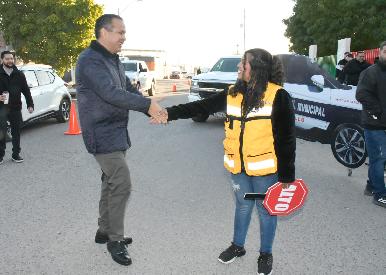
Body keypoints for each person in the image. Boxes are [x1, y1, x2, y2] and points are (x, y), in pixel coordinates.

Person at [158, 48, 296, 275]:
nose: (240, 66)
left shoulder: (278, 95)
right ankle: (238, 246)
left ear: (257, 68)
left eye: (244, 63)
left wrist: (286, 177)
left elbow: (286, 139)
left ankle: (265, 254)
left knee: (266, 210)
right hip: (238, 167)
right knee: (243, 205)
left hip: (264, 170)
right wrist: (168, 114)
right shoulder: (232, 93)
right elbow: (200, 107)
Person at [75, 14, 166, 266]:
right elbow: (110, 93)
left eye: (124, 33)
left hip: (116, 131)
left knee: (110, 182)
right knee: (122, 183)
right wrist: (148, 106)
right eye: (120, 32)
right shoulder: (89, 60)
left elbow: (127, 88)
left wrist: (150, 106)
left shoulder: (112, 60)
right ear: (104, 32)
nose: (124, 38)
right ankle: (115, 240)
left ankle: (104, 230)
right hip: (100, 133)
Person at [356, 41, 386, 208]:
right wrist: (379, 111)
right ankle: (380, 194)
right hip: (375, 124)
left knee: (377, 158)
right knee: (379, 158)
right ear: (380, 53)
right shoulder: (370, 72)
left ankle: (371, 185)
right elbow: (361, 94)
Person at [0, 51, 34, 164]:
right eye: (7, 59)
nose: (10, 61)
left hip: (15, 107)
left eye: (11, 58)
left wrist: (30, 104)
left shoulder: (19, 74)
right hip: (1, 108)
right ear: (2, 60)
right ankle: (0, 155)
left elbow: (26, 90)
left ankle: (16, 154)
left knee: (16, 132)